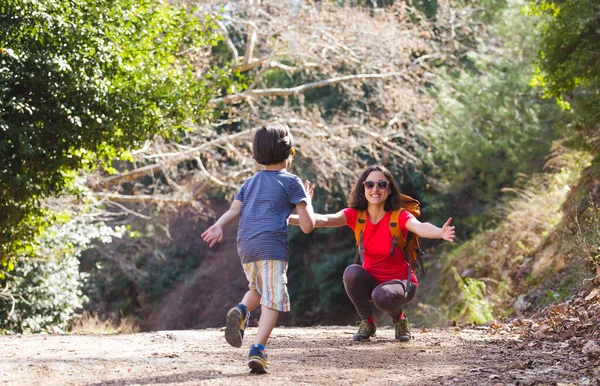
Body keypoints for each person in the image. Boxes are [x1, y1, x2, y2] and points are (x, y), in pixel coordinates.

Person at [289, 164, 455, 342]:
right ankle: (367, 324)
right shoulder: (356, 215)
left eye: (382, 184)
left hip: (402, 284)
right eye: (370, 184)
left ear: (389, 189)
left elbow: (420, 227)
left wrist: (440, 232)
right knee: (351, 272)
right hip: (371, 282)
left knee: (381, 295)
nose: (375, 189)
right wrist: (284, 218)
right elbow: (322, 220)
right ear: (363, 188)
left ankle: (400, 320)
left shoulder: (398, 215)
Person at [201, 123, 315, 374]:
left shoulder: (249, 182)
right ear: (289, 154)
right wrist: (307, 202)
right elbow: (308, 226)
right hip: (271, 247)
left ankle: (241, 310)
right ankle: (258, 349)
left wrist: (218, 226)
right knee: (272, 301)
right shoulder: (292, 182)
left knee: (259, 289)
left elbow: (234, 210)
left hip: (246, 247)